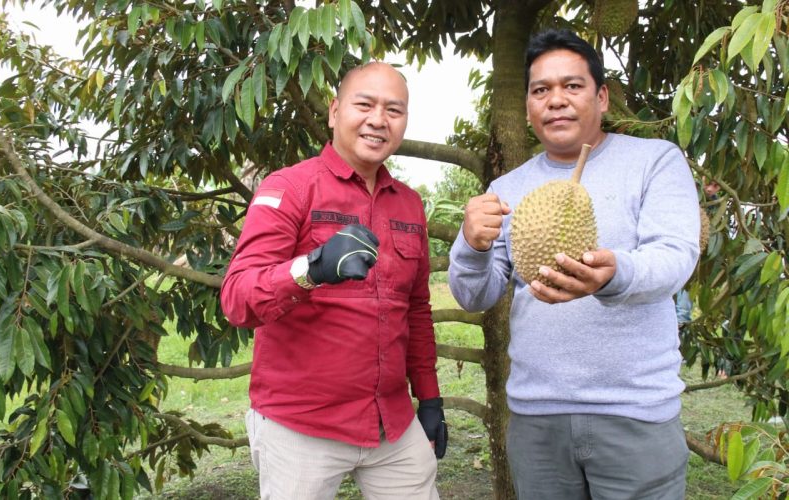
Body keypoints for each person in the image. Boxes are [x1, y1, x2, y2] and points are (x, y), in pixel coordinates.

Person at [448, 29, 699, 499]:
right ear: (527, 106)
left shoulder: (654, 162)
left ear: (601, 97)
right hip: (536, 417)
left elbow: (674, 257)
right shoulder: (507, 186)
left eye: (572, 86)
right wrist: (470, 244)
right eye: (541, 90)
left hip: (635, 413)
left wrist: (613, 275)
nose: (556, 100)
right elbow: (474, 294)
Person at [221, 62, 446, 500]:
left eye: (394, 110)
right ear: (334, 111)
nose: (378, 119)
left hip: (391, 424)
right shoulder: (290, 188)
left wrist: (431, 398)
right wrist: (310, 269)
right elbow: (237, 299)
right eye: (365, 104)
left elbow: (415, 309)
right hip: (302, 426)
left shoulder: (409, 205)